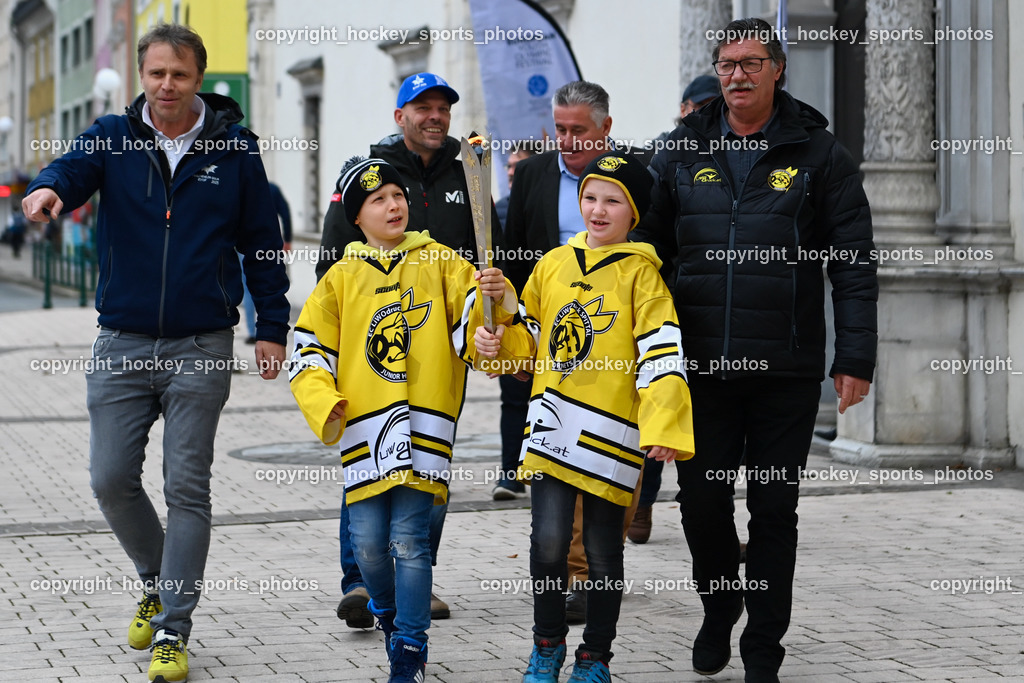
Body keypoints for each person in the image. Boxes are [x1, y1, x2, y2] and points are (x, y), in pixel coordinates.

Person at [22, 23, 290, 683]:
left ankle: (173, 628)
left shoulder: (235, 149)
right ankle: (155, 577)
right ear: (142, 76)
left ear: (200, 78)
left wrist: (272, 325)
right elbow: (71, 169)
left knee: (186, 487)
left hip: (201, 342)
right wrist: (49, 186)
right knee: (109, 477)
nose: (166, 86)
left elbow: (261, 238)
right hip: (123, 339)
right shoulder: (113, 136)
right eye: (156, 73)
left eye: (179, 74)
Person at [635, 17, 878, 682]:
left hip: (786, 368)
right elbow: (645, 247)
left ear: (778, 70)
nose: (736, 74)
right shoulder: (678, 150)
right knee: (701, 502)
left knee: (774, 508)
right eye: (726, 63)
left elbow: (853, 262)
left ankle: (763, 648)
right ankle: (720, 603)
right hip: (701, 365)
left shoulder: (820, 154)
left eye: (750, 62)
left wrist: (856, 354)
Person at [289, 156, 512, 682]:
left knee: (410, 537)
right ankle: (390, 619)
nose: (393, 206)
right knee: (367, 543)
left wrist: (491, 320)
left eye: (397, 195)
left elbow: (478, 327)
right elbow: (308, 351)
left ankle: (411, 648)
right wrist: (327, 403)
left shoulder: (443, 262)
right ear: (357, 218)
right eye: (378, 200)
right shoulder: (341, 278)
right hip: (365, 429)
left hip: (426, 428)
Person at [476, 150, 695, 683]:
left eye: (613, 201)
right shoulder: (552, 264)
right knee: (548, 542)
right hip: (552, 425)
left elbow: (662, 352)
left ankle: (596, 656)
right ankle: (546, 645)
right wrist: (496, 330)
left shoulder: (643, 276)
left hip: (612, 433)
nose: (598, 210)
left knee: (600, 550)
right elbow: (527, 339)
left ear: (634, 213)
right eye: (591, 197)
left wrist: (664, 424)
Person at [317, 72, 502, 627]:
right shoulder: (369, 172)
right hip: (373, 353)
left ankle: (417, 573)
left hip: (440, 352)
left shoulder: (470, 173)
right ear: (400, 116)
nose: (434, 116)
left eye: (442, 107)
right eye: (422, 107)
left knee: (429, 460)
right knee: (368, 453)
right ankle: (360, 580)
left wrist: (491, 331)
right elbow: (333, 257)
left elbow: (490, 254)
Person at [503, 80, 648, 623]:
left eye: (577, 130)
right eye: (558, 129)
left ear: (605, 129)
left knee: (604, 469)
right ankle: (569, 574)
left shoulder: (637, 176)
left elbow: (655, 251)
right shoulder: (536, 173)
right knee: (557, 468)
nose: (565, 139)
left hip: (613, 354)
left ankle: (591, 573)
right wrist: (515, 339)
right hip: (551, 349)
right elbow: (516, 253)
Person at [631, 73, 722, 545]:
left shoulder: (736, 152)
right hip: (664, 302)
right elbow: (649, 230)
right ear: (684, 109)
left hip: (715, 313)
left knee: (707, 425)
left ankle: (707, 515)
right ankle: (643, 504)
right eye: (699, 105)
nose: (706, 111)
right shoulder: (663, 155)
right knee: (658, 404)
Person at [240, 181, 291, 343]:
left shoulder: (241, 185)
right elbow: (285, 213)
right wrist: (287, 239)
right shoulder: (272, 189)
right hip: (268, 244)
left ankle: (252, 331)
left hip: (241, 243)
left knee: (248, 289)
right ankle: (270, 328)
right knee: (272, 285)